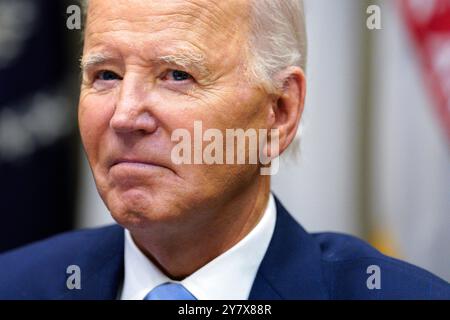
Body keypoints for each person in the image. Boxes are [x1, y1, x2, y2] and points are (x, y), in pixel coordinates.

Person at [0, 0, 449, 300]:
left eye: (176, 74)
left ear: (279, 111)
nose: (123, 116)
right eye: (105, 75)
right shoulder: (16, 286)